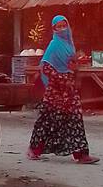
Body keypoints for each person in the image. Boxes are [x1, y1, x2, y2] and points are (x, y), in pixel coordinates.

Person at [27, 14, 99, 164]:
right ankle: (34, 149)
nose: (61, 29)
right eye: (57, 27)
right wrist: (60, 79)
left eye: (63, 26)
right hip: (55, 91)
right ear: (53, 29)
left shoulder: (70, 45)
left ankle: (81, 154)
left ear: (68, 26)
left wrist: (73, 70)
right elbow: (45, 67)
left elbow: (72, 66)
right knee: (47, 120)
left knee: (75, 119)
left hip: (69, 91)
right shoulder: (54, 45)